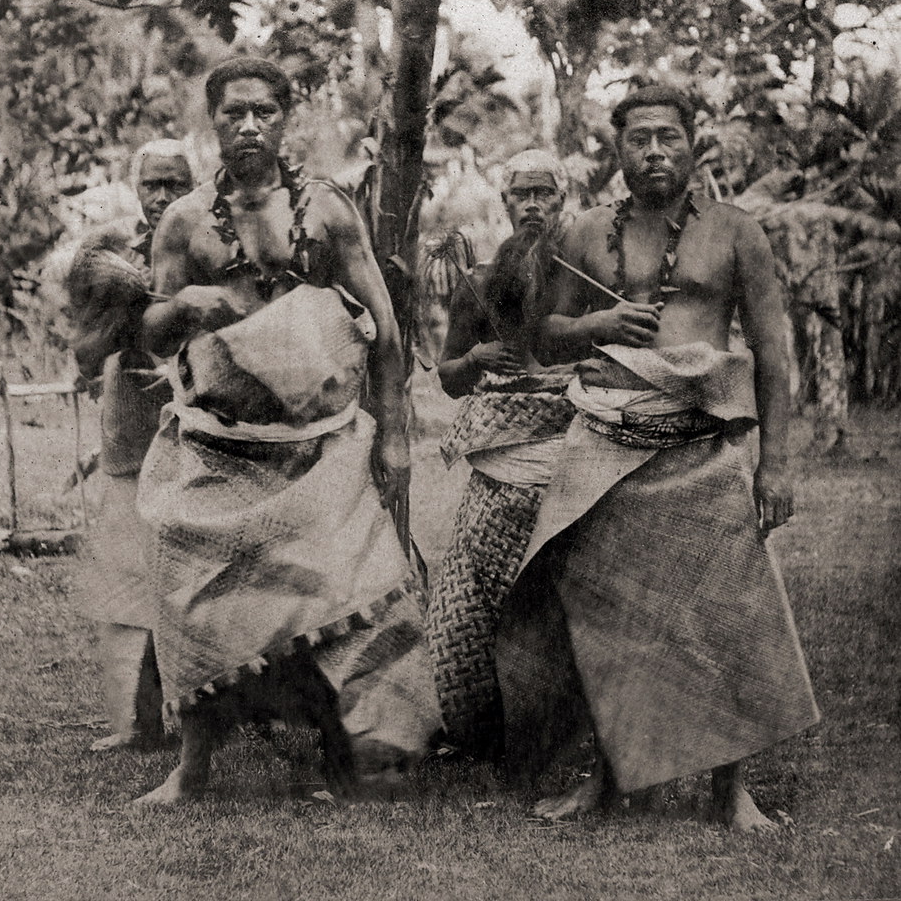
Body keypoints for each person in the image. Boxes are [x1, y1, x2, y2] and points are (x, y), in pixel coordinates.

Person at [494, 86, 818, 830]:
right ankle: (608, 783)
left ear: (694, 144)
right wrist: (599, 321)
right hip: (604, 441)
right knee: (606, 618)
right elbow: (539, 336)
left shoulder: (736, 232)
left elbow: (773, 350)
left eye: (669, 137)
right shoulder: (581, 235)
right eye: (638, 139)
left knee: (724, 614)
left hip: (698, 441)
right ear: (617, 152)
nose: (655, 153)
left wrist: (777, 463)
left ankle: (728, 790)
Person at [132, 56, 439, 805]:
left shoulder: (328, 210)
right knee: (197, 598)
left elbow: (387, 331)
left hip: (319, 448)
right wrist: (189, 304)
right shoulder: (184, 222)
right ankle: (193, 766)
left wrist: (395, 437)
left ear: (284, 120)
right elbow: (150, 329)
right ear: (213, 123)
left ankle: (349, 756)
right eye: (233, 114)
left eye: (263, 113)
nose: (247, 127)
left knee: (339, 597)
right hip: (218, 447)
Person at [426, 149, 577, 760]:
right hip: (501, 465)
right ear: (506, 203)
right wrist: (474, 361)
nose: (534, 205)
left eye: (546, 194)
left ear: (563, 203)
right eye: (523, 195)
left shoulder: (580, 277)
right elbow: (448, 377)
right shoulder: (481, 284)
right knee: (475, 596)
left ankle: (564, 727)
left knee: (560, 594)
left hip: (571, 455)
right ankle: (478, 726)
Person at [68, 139, 195, 751]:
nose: (164, 197)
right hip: (131, 434)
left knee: (194, 579)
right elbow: (86, 350)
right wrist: (121, 312)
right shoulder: (112, 254)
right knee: (129, 580)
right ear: (136, 188)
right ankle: (142, 723)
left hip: (199, 432)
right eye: (153, 185)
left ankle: (209, 714)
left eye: (175, 183)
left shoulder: (207, 245)